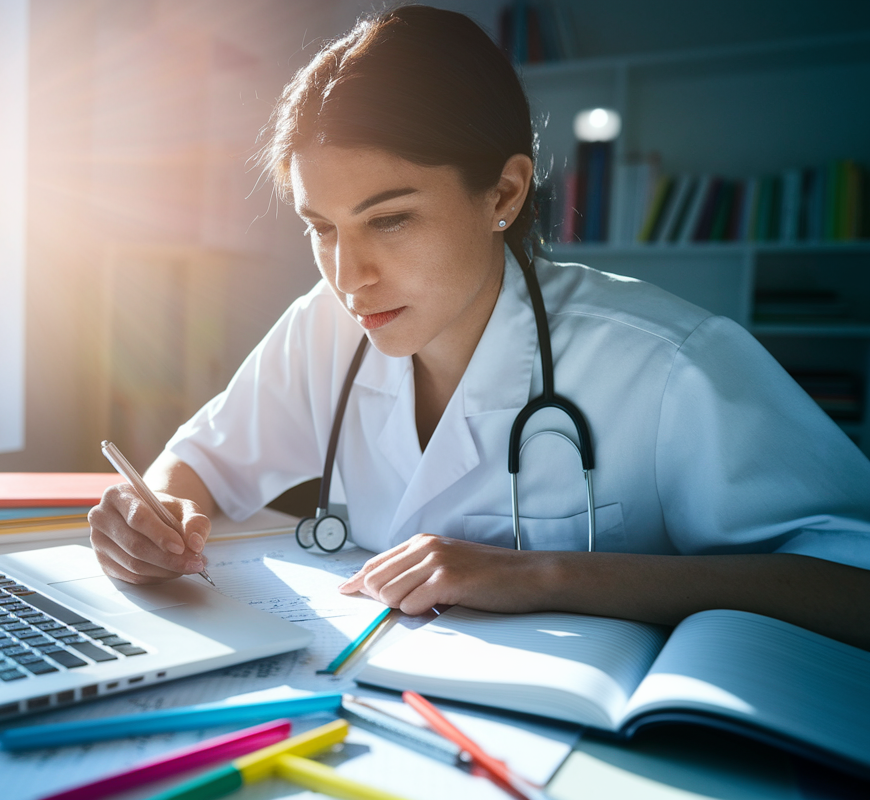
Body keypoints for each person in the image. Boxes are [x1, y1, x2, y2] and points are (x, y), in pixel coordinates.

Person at [87, 6, 870, 648]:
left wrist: (542, 575)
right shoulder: (321, 333)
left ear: (502, 193)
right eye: (321, 227)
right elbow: (195, 467)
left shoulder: (670, 364)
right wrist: (151, 519)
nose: (348, 275)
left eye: (389, 221)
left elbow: (852, 587)